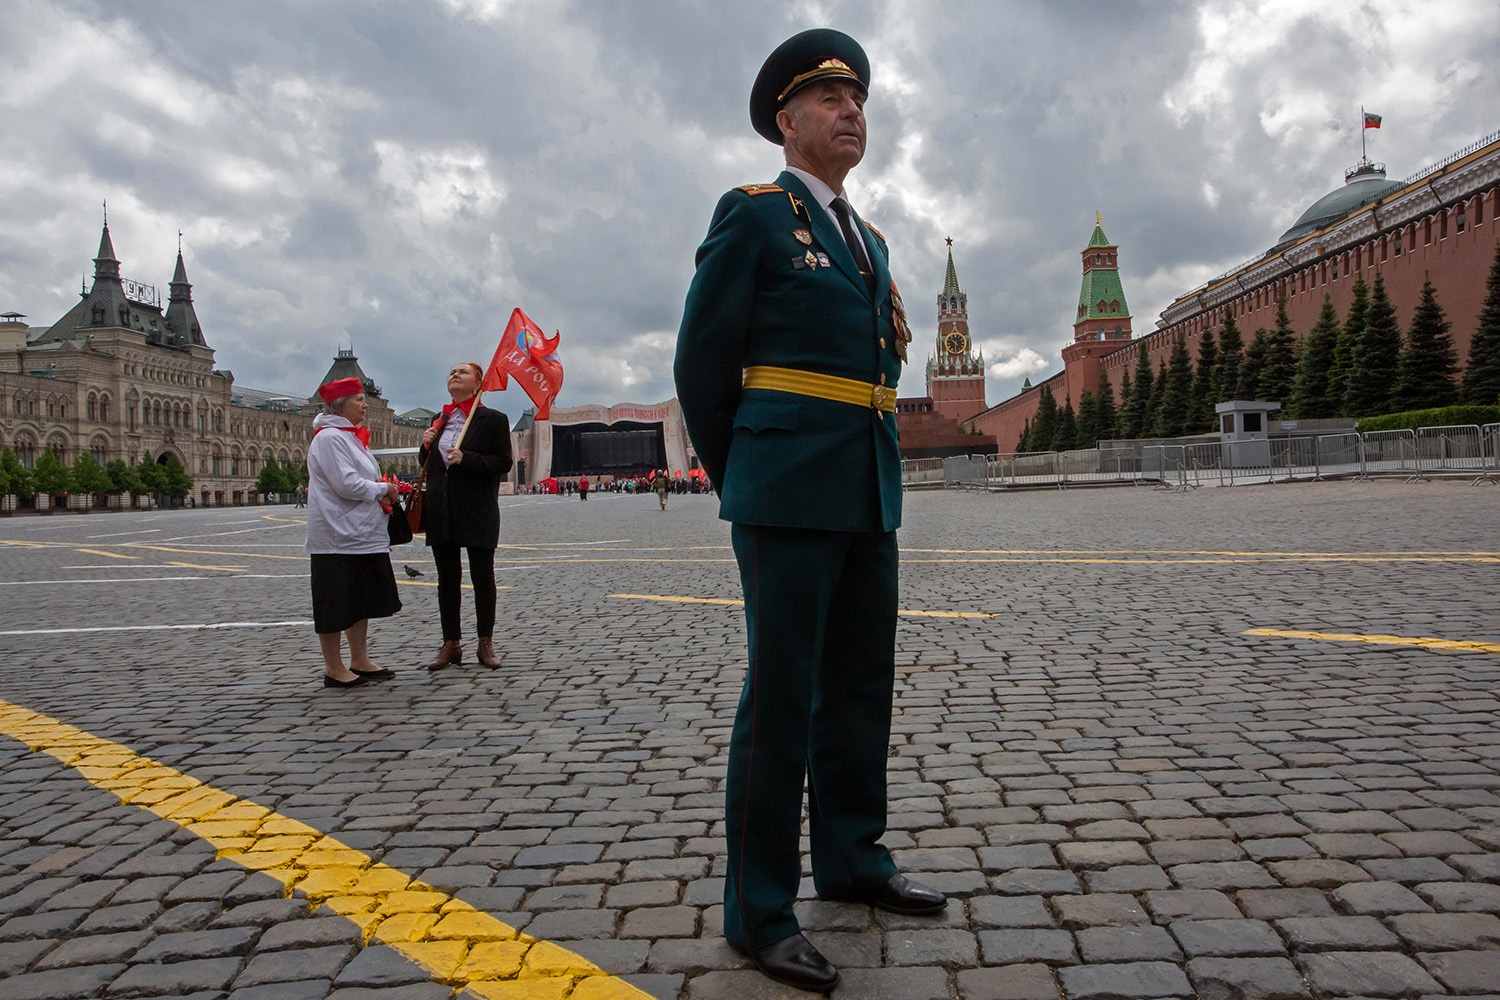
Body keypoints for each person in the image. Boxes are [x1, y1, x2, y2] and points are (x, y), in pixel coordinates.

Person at [673, 28, 940, 992]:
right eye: (830, 98)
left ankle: (855, 861)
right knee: (780, 698)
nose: (851, 111)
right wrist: (744, 471)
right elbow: (703, 363)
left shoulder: (866, 241)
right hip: (786, 491)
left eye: (858, 99)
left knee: (861, 687)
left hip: (867, 487)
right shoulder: (754, 215)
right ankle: (758, 910)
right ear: (786, 122)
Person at [305, 377, 402, 689]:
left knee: (359, 599)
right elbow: (345, 483)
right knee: (333, 602)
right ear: (340, 404)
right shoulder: (330, 438)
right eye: (359, 399)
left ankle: (359, 659)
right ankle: (334, 667)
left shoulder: (350, 437)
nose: (365, 405)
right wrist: (383, 488)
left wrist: (381, 490)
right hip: (336, 537)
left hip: (359, 535)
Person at [419, 362, 514, 671]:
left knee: (482, 577)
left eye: (462, 371)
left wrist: (467, 458)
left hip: (477, 509)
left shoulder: (494, 419)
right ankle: (451, 644)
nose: (454, 374)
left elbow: (503, 462)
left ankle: (485, 643)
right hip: (442, 509)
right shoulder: (440, 418)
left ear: (478, 384)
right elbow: (432, 465)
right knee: (447, 579)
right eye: (451, 372)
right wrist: (426, 445)